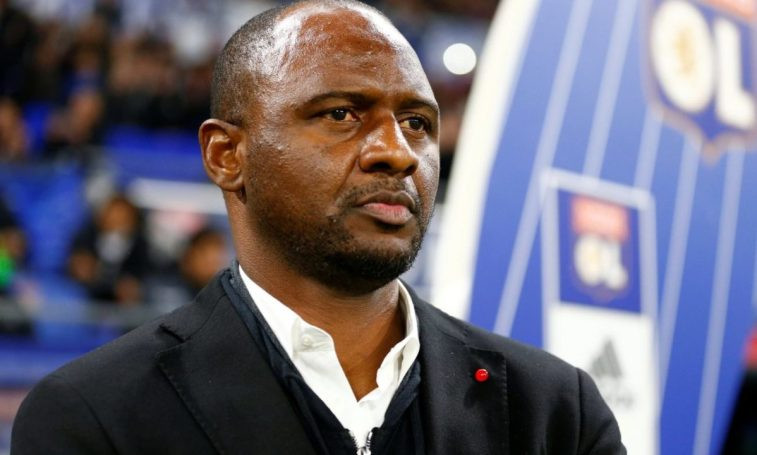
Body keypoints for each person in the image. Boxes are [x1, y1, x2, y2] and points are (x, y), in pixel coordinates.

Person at [11, 1, 625, 453]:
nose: (398, 152)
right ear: (227, 156)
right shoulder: (94, 418)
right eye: (341, 114)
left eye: (417, 123)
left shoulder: (554, 414)